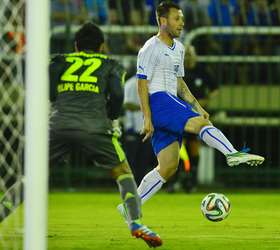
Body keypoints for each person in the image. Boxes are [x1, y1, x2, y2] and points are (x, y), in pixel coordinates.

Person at [1, 22, 162, 248]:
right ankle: (135, 223)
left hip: (58, 126)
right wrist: (110, 116)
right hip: (96, 127)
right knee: (123, 172)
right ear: (102, 46)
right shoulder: (111, 65)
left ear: (76, 46)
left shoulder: (59, 61)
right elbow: (117, 95)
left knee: (31, 177)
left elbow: (46, 88)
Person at [118, 1, 264, 213]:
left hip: (169, 103)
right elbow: (142, 84)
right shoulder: (150, 48)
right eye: (177, 19)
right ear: (162, 21)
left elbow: (180, 83)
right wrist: (147, 118)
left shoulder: (180, 48)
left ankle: (130, 206)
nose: (182, 23)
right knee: (201, 125)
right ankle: (232, 154)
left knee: (168, 167)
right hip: (160, 101)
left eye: (183, 19)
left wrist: (196, 105)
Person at [123, 75, 156, 185]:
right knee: (130, 160)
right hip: (132, 128)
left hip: (145, 128)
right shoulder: (130, 83)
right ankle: (128, 185)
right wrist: (144, 107)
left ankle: (140, 186)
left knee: (143, 160)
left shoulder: (149, 84)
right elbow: (126, 104)